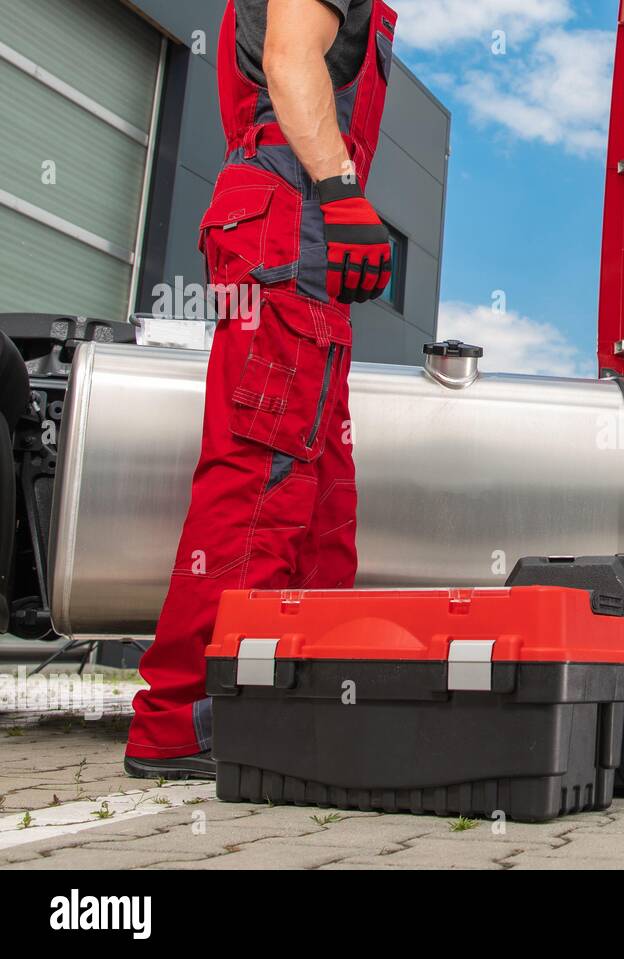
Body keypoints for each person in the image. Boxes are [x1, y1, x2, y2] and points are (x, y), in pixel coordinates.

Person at [124, 0, 398, 778]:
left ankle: (300, 704)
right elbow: (288, 57)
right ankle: (185, 716)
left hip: (298, 222)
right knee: (263, 472)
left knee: (319, 493)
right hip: (292, 212)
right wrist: (341, 190)